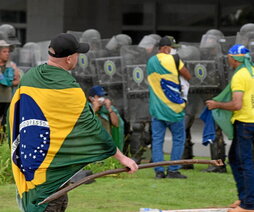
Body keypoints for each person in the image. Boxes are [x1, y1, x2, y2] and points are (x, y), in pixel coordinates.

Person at [8, 33, 138, 212]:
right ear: (69, 59)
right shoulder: (69, 89)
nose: (78, 57)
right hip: (52, 175)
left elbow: (15, 113)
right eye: (77, 54)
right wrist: (122, 158)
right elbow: (92, 129)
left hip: (31, 165)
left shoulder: (30, 77)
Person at [206, 44, 254, 212]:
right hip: (252, 121)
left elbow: (237, 104)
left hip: (245, 123)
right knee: (235, 158)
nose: (228, 60)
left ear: (234, 58)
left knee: (245, 162)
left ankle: (249, 205)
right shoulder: (252, 71)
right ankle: (244, 198)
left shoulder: (240, 75)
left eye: (229, 58)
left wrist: (216, 104)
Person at [146, 36, 191, 179]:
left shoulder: (151, 61)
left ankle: (158, 171)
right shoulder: (174, 59)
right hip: (174, 109)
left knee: (157, 140)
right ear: (166, 48)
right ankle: (173, 170)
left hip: (157, 109)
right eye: (171, 48)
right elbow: (188, 76)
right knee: (178, 138)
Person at [88, 85, 125, 151]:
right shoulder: (87, 109)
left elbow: (116, 124)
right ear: (91, 98)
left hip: (107, 144)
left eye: (103, 96)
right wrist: (94, 109)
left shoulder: (107, 109)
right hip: (93, 145)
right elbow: (86, 124)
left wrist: (109, 108)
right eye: (99, 96)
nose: (102, 99)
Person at [0, 40, 20, 137]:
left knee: (5, 123)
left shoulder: (11, 66)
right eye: (4, 51)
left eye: (8, 51)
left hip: (7, 100)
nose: (7, 54)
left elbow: (17, 81)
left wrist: (8, 82)